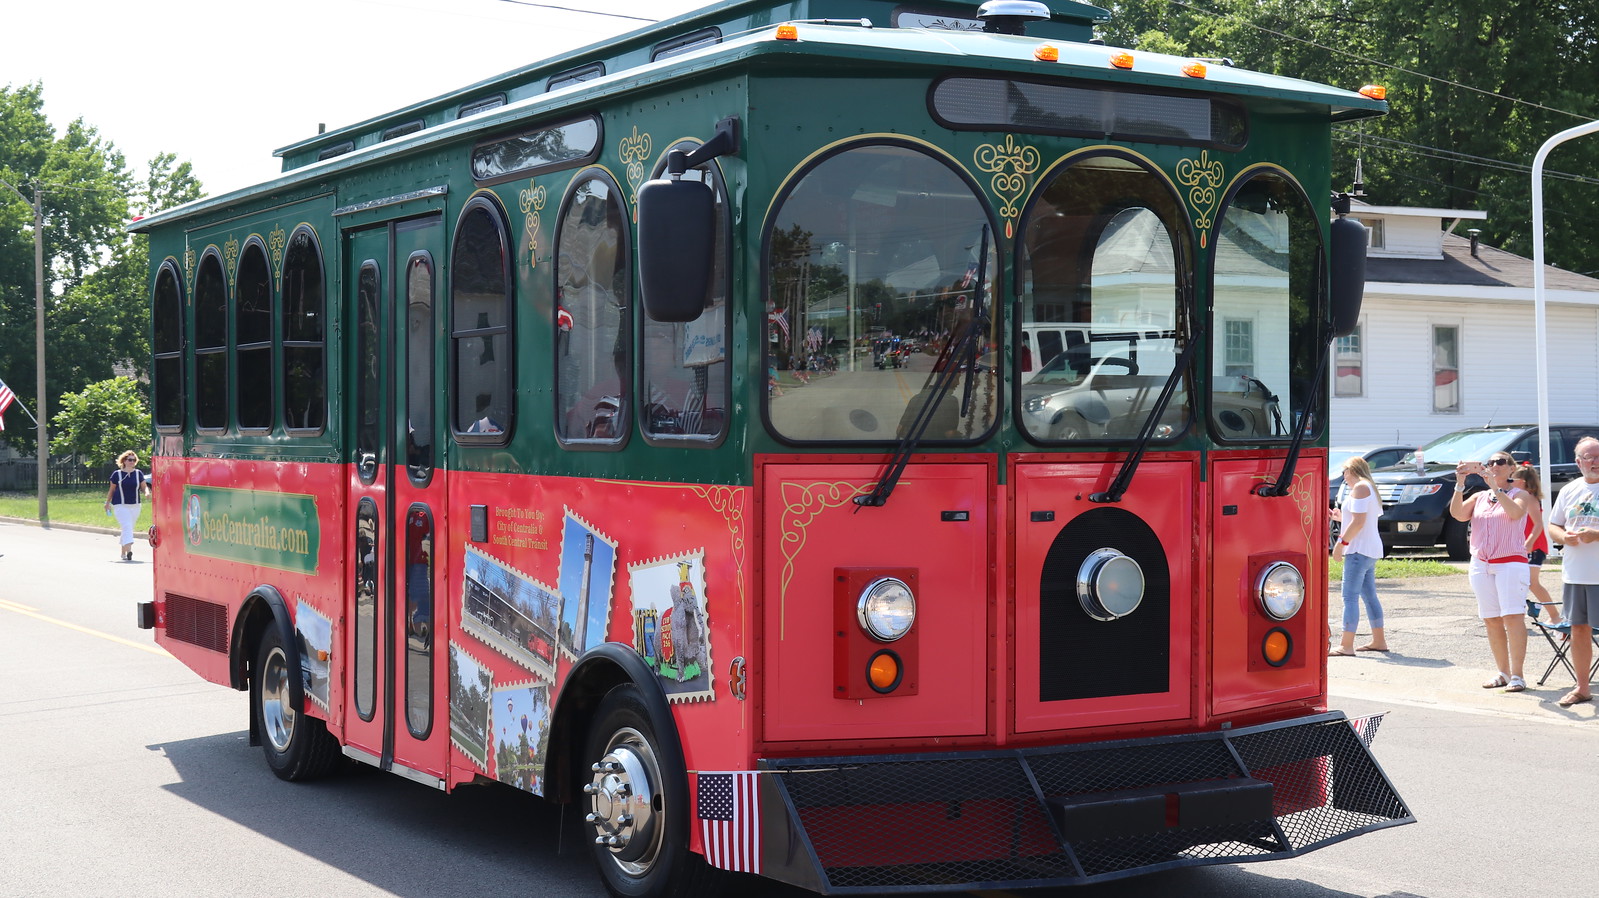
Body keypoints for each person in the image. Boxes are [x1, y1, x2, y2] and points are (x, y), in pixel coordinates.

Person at [1450, 450, 1535, 692]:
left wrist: (1496, 489)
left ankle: (1518, 675)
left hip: (1510, 562)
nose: (1494, 466)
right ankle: (1503, 672)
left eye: (1500, 462)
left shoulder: (1521, 494)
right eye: (1490, 462)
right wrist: (1460, 483)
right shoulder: (1479, 497)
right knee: (1491, 619)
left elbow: (1516, 513)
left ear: (1511, 469)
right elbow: (1457, 514)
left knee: (1513, 616)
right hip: (1481, 562)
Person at [1546, 435, 1599, 707]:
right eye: (1589, 457)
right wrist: (1562, 537)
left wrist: (1597, 535)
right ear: (1578, 462)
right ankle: (1582, 687)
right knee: (1579, 629)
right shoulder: (1569, 490)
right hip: (1576, 574)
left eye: (1598, 456)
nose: (1595, 462)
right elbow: (1553, 525)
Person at [1329, 456, 1386, 655]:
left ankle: (1346, 645)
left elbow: (1359, 522)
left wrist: (1340, 544)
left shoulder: (1360, 488)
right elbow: (1361, 519)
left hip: (1357, 550)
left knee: (1349, 597)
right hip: (1369, 550)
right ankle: (1379, 641)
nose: (1343, 477)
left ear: (1352, 470)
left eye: (1344, 472)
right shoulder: (1368, 487)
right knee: (1369, 596)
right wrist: (1339, 517)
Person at [1511, 463, 1562, 625]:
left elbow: (1538, 524)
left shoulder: (1530, 498)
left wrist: (1529, 542)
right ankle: (1520, 612)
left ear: (1523, 481)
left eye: (1514, 478)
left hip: (1533, 546)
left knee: (1533, 583)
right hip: (1521, 545)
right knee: (1517, 581)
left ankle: (1555, 615)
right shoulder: (1518, 496)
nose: (1510, 481)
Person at [103, 450, 152, 562]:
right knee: (127, 526)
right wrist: (107, 503)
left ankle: (123, 552)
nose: (132, 462)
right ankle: (129, 550)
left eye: (134, 460)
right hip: (120, 505)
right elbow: (112, 490)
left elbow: (144, 486)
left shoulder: (138, 473)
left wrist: (147, 493)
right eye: (130, 460)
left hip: (135, 505)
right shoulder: (117, 474)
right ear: (124, 461)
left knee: (128, 527)